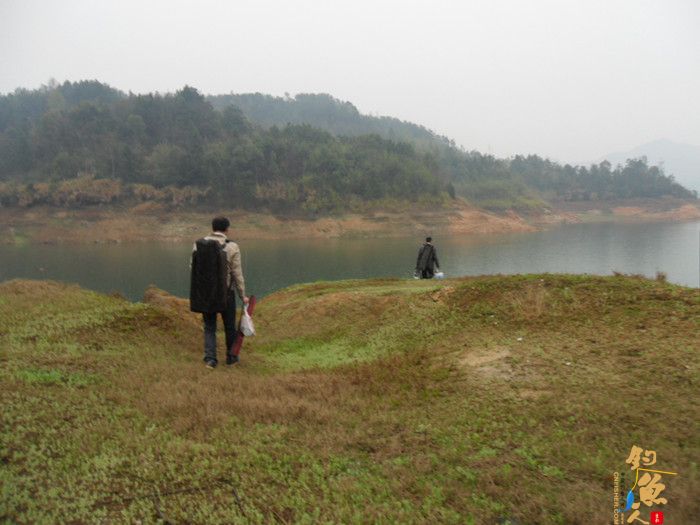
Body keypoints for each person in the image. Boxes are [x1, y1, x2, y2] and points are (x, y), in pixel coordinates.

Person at [191, 216, 249, 369]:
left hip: (206, 294)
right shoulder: (232, 247)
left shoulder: (198, 245)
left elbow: (193, 268)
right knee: (229, 326)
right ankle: (231, 358)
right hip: (226, 294)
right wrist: (242, 295)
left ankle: (210, 359)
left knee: (209, 327)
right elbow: (237, 274)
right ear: (227, 229)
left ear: (212, 228)